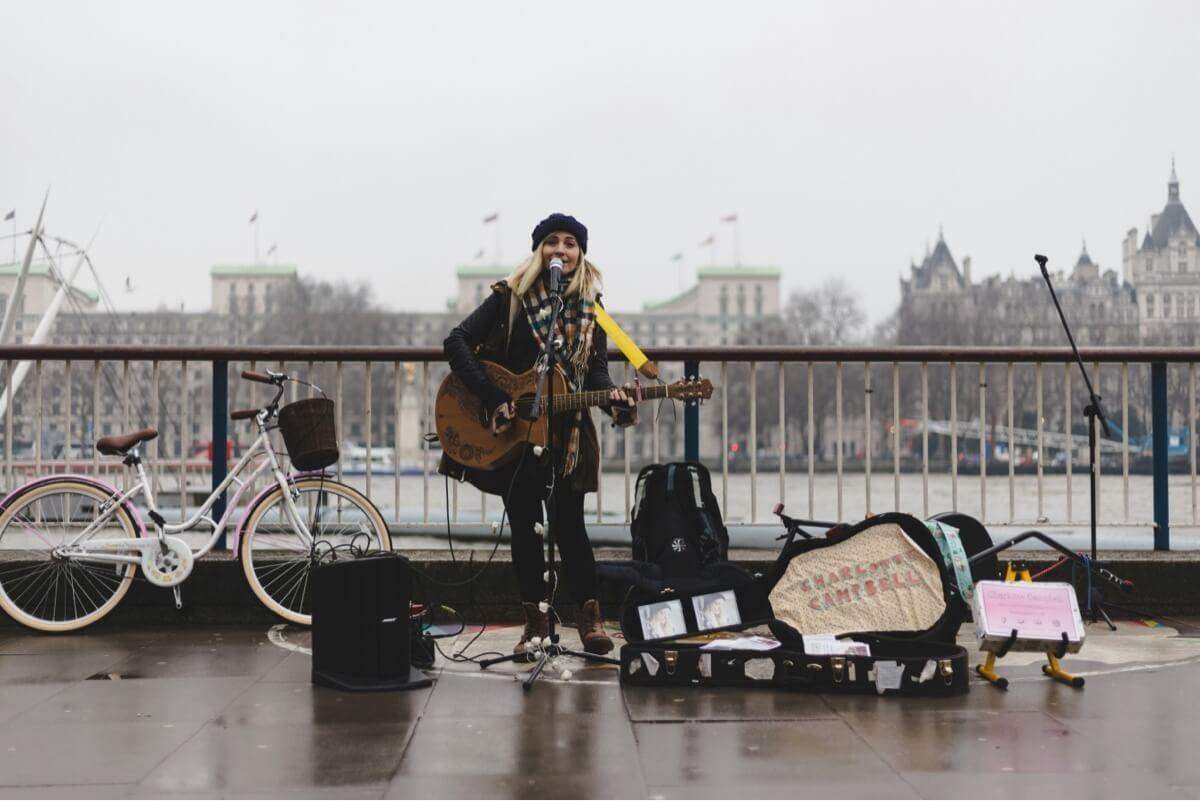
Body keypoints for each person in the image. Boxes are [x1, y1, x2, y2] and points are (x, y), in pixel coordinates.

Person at [441, 213, 637, 660]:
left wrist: (615, 401)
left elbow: (597, 374)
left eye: (571, 243)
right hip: (515, 434)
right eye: (552, 242)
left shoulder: (592, 308)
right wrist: (495, 398)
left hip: (568, 434)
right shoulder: (509, 298)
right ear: (539, 252)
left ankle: (589, 620)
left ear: (581, 254)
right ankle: (536, 622)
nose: (561, 251)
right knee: (525, 528)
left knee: (570, 526)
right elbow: (456, 342)